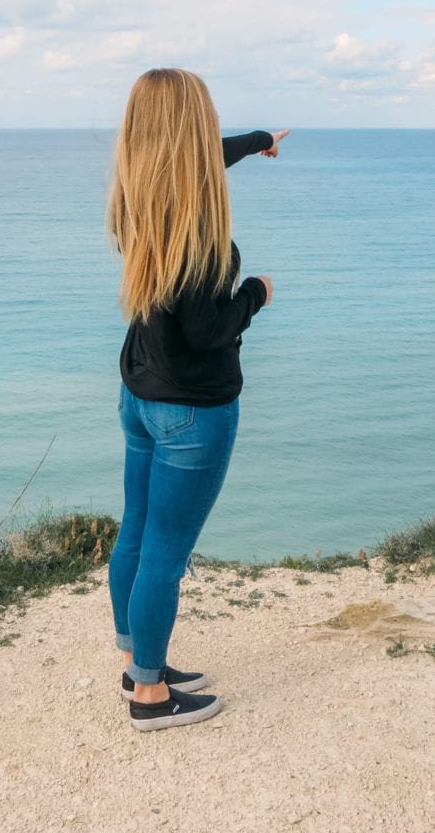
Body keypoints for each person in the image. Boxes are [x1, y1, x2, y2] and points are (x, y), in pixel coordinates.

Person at [104, 67, 288, 732]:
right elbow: (211, 329)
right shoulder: (200, 232)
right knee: (166, 553)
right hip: (191, 410)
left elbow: (204, 158)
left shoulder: (136, 191)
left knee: (136, 531)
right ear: (190, 129)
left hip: (140, 393)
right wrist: (257, 294)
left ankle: (137, 661)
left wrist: (259, 139)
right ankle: (148, 696)